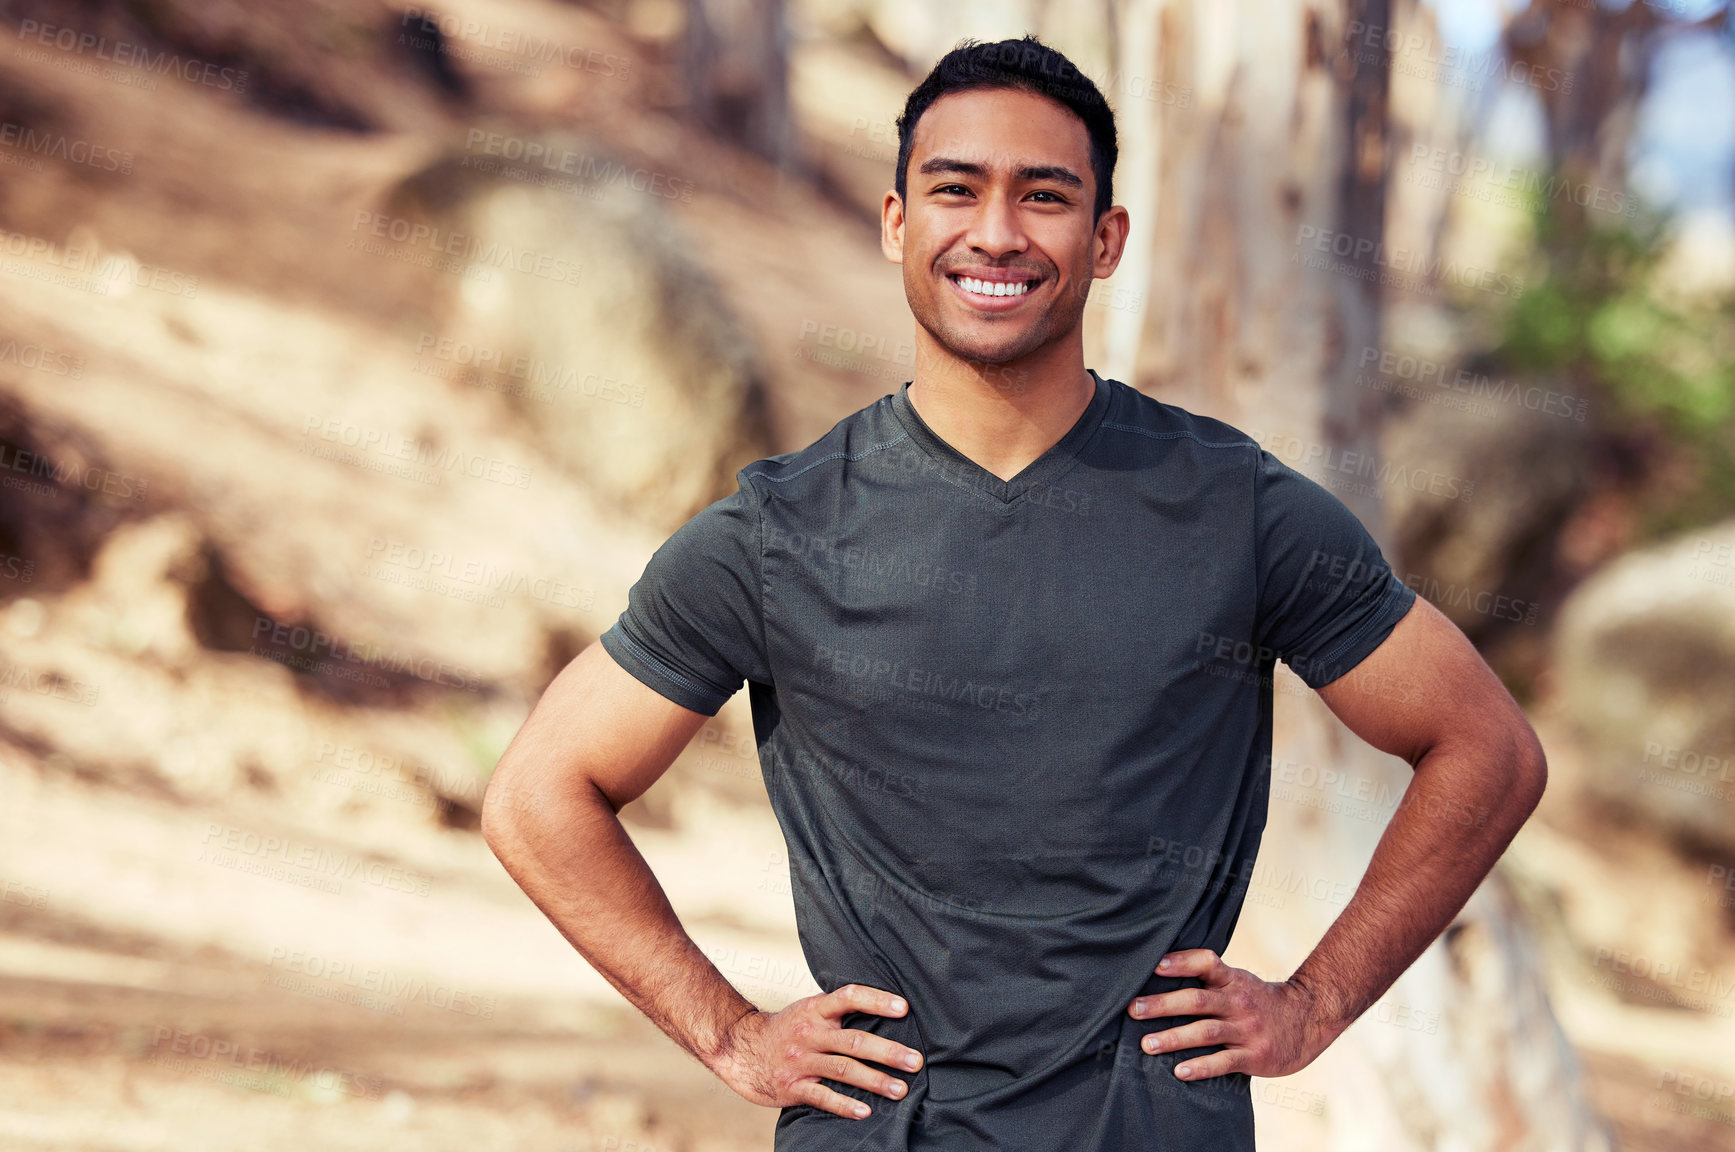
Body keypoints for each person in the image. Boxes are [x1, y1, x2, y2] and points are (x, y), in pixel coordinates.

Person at [482, 34, 1547, 1152]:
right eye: (956, 190)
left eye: (1044, 196)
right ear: (899, 222)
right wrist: (729, 1032)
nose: (995, 232)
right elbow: (539, 794)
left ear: (1104, 240)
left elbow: (1486, 749)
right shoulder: (775, 532)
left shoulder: (1238, 508)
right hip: (882, 1131)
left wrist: (1314, 1004)